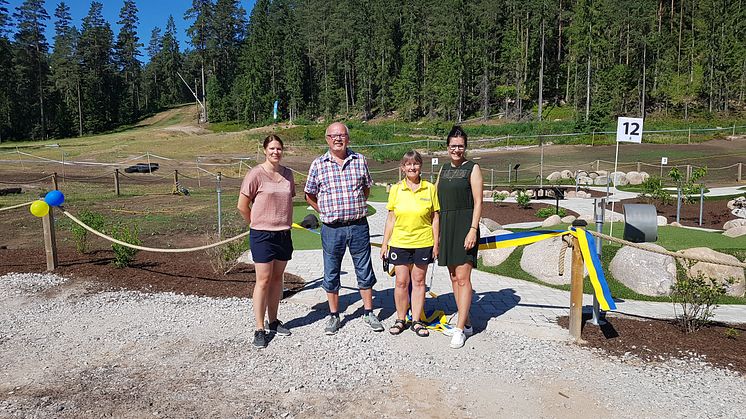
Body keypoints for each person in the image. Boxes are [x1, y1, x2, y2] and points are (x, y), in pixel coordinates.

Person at [304, 122, 384, 335]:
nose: (338, 139)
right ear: (327, 139)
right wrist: (324, 210)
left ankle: (369, 311)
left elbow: (366, 189)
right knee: (331, 271)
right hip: (332, 228)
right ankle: (333, 315)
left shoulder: (360, 161)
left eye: (342, 135)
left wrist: (354, 205)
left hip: (358, 225)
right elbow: (309, 194)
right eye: (333, 136)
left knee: (364, 269)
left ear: (348, 138)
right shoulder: (318, 164)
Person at [237, 134, 295, 349]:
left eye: (279, 148)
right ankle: (259, 328)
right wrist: (256, 222)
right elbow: (242, 205)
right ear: (264, 150)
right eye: (271, 148)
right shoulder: (256, 174)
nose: (275, 152)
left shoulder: (288, 174)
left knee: (278, 279)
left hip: (283, 234)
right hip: (262, 234)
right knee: (263, 280)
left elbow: (289, 199)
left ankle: (274, 321)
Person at [381, 150, 440, 337]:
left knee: (419, 281)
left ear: (420, 166)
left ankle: (416, 320)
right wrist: (384, 244)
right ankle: (400, 319)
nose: (412, 167)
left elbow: (435, 218)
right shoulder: (396, 189)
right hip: (400, 242)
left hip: (423, 242)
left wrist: (436, 244)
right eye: (408, 164)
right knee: (400, 282)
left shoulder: (430, 188)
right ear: (403, 168)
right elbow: (391, 218)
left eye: (415, 164)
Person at [436, 125, 483, 349]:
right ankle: (467, 323)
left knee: (463, 278)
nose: (457, 149)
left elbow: (478, 202)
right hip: (447, 226)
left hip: (465, 225)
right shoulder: (443, 170)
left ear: (465, 147)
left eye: (461, 146)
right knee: (454, 277)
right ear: (447, 147)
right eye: (453, 146)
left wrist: (473, 229)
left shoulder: (473, 168)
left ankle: (460, 329)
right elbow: (434, 200)